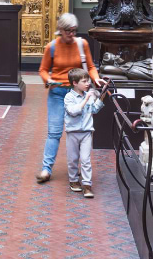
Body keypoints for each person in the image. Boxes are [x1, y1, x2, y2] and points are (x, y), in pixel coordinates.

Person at [36, 13, 106, 184]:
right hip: (58, 93)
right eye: (68, 31)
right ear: (60, 29)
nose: (72, 34)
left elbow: (90, 66)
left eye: (74, 31)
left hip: (78, 93)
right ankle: (46, 169)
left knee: (81, 130)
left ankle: (81, 169)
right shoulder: (51, 47)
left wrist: (95, 78)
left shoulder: (82, 44)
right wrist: (49, 80)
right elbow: (43, 70)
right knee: (54, 132)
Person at [64, 67, 104, 198]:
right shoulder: (69, 97)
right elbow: (73, 111)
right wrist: (86, 100)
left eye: (88, 81)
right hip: (72, 133)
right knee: (73, 159)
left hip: (87, 132)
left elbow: (94, 110)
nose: (88, 83)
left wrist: (102, 95)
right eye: (84, 81)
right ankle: (74, 181)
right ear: (75, 83)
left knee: (86, 159)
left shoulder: (89, 95)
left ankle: (87, 185)